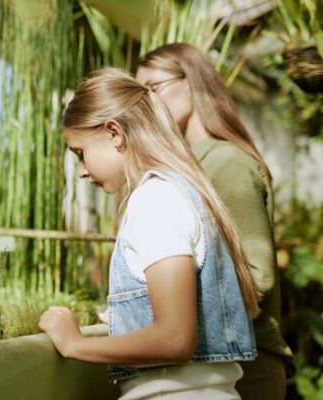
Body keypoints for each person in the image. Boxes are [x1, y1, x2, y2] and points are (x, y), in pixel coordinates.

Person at [39, 68, 259, 399]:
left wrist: (75, 343)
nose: (82, 171)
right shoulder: (177, 192)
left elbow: (175, 339)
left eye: (80, 153)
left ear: (115, 132)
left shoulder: (155, 200)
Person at [136, 42, 294, 400]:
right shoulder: (192, 168)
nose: (146, 103)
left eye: (152, 89)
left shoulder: (226, 163)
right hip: (218, 364)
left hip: (247, 367)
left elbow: (258, 276)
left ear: (192, 81)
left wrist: (168, 317)